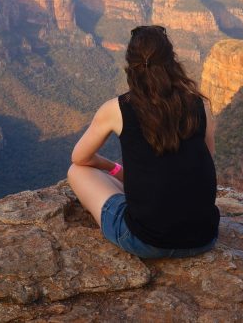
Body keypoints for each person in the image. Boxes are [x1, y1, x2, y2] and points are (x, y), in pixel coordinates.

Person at [67, 25, 220, 259]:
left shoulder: (118, 108)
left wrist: (115, 169)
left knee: (77, 171)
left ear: (131, 65)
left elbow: (80, 158)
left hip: (146, 241)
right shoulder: (200, 105)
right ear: (172, 61)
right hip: (204, 238)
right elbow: (205, 161)